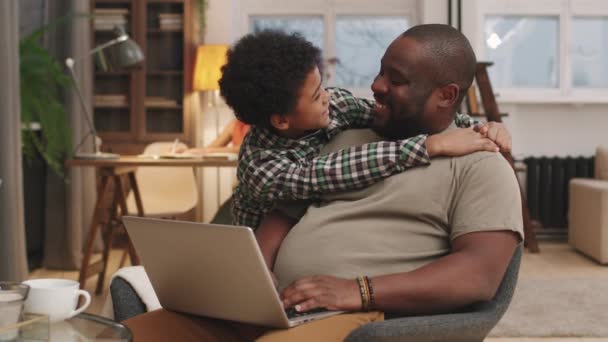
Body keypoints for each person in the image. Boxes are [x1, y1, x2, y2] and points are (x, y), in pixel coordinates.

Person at [124, 24, 523, 341]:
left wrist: (358, 290)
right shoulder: (339, 133)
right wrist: (248, 291)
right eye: (381, 70)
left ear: (446, 95)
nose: (376, 85)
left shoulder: (480, 164)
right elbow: (280, 217)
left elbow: (479, 275)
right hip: (277, 307)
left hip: (359, 316)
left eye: (395, 79)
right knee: (132, 335)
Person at [219, 30, 510, 230]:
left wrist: (478, 127)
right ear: (281, 120)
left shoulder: (334, 106)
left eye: (322, 85)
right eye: (315, 95)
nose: (327, 96)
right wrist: (427, 146)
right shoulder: (261, 167)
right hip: (255, 248)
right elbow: (326, 172)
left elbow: (395, 115)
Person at [182, 118, 250, 154]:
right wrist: (186, 151)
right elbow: (213, 147)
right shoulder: (235, 124)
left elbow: (244, 149)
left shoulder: (258, 125)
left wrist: (210, 151)